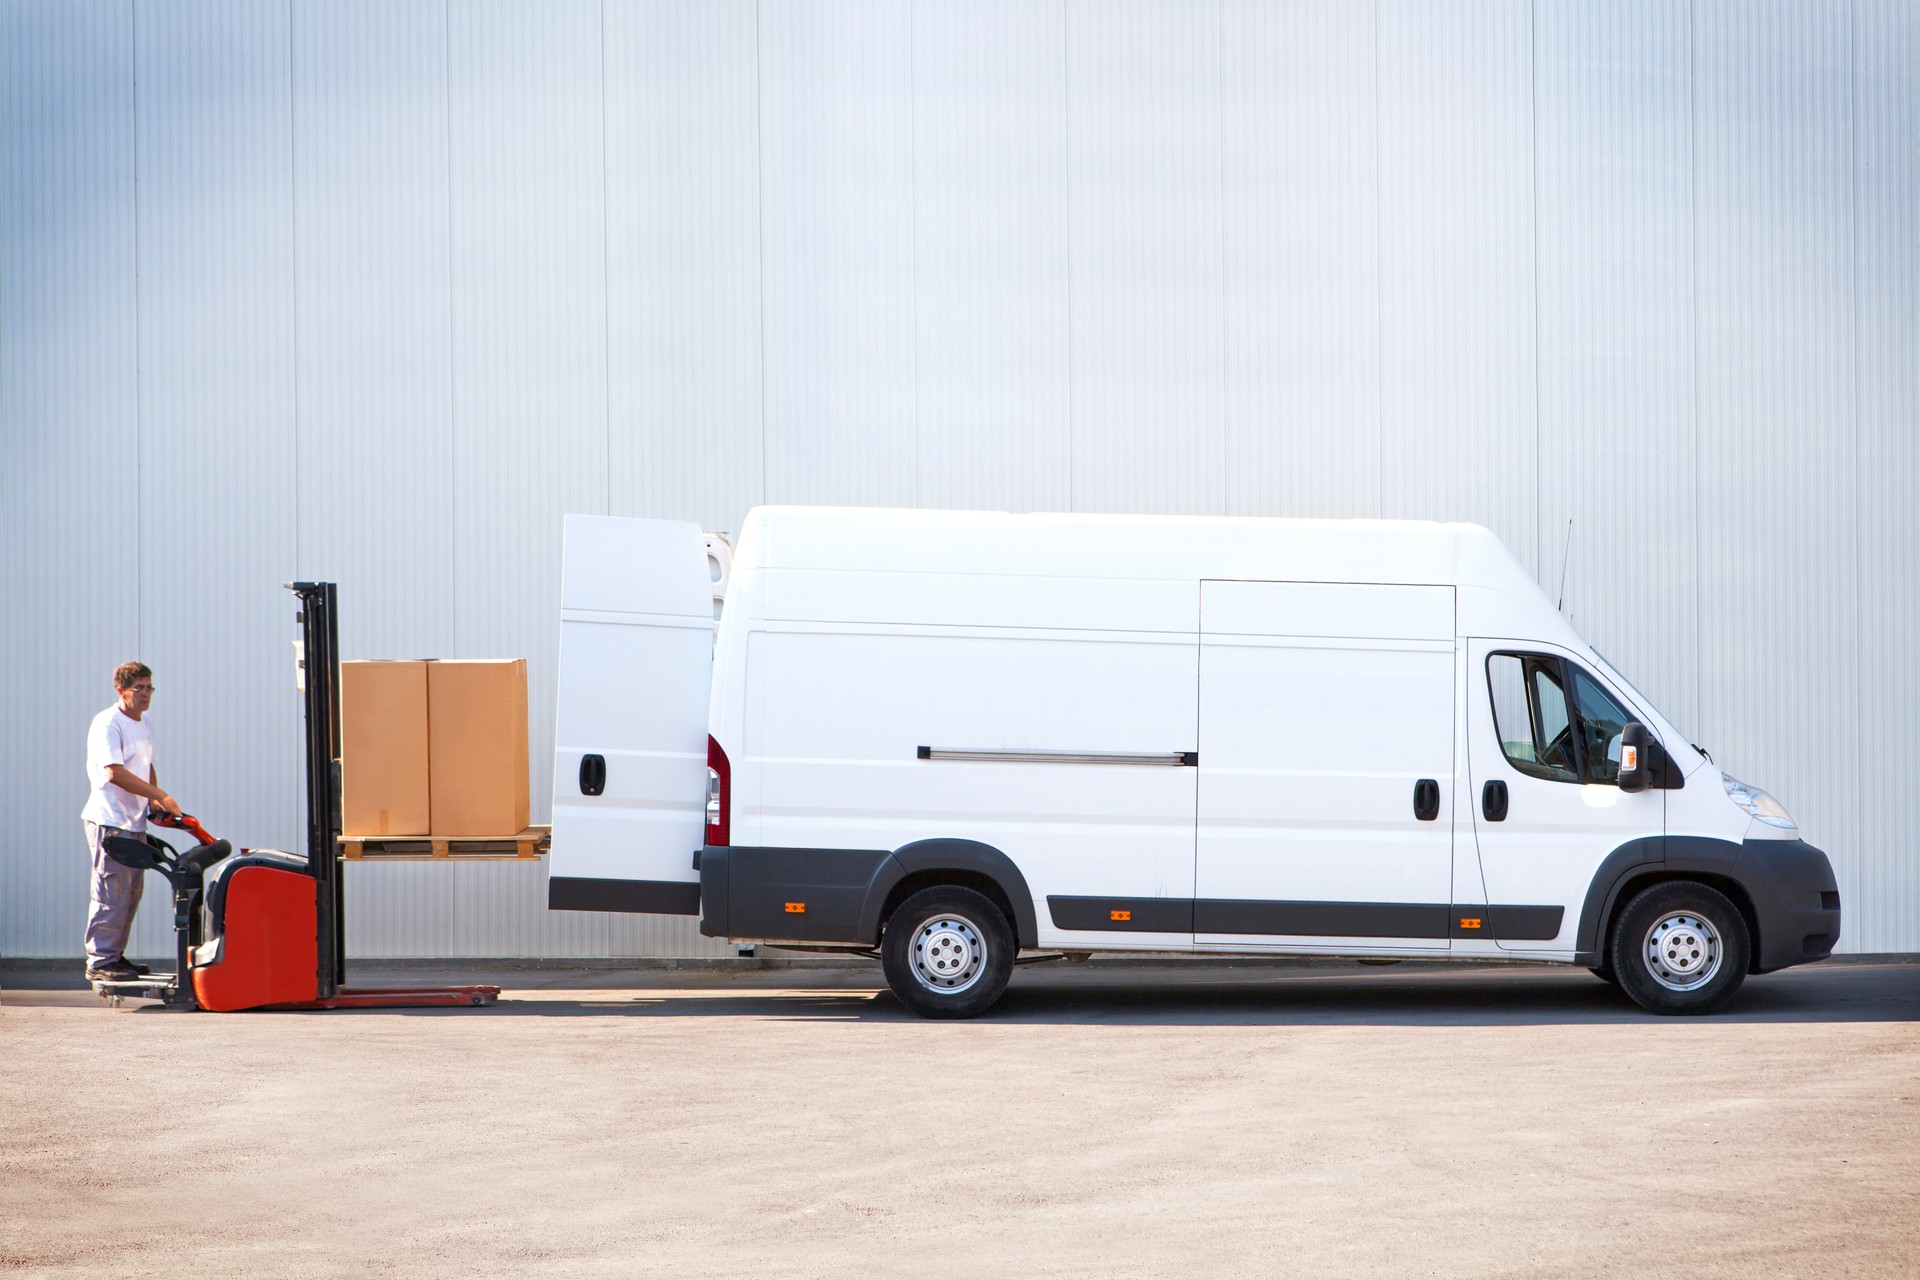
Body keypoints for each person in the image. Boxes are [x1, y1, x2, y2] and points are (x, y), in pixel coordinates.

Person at [80, 661, 180, 981]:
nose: (146, 694)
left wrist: (152, 800)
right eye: (139, 688)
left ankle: (114, 955)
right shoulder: (108, 723)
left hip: (134, 820)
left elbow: (146, 764)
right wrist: (160, 794)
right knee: (112, 892)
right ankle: (100, 960)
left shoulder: (144, 722)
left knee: (131, 892)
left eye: (149, 687)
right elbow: (115, 772)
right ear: (121, 691)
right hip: (109, 819)